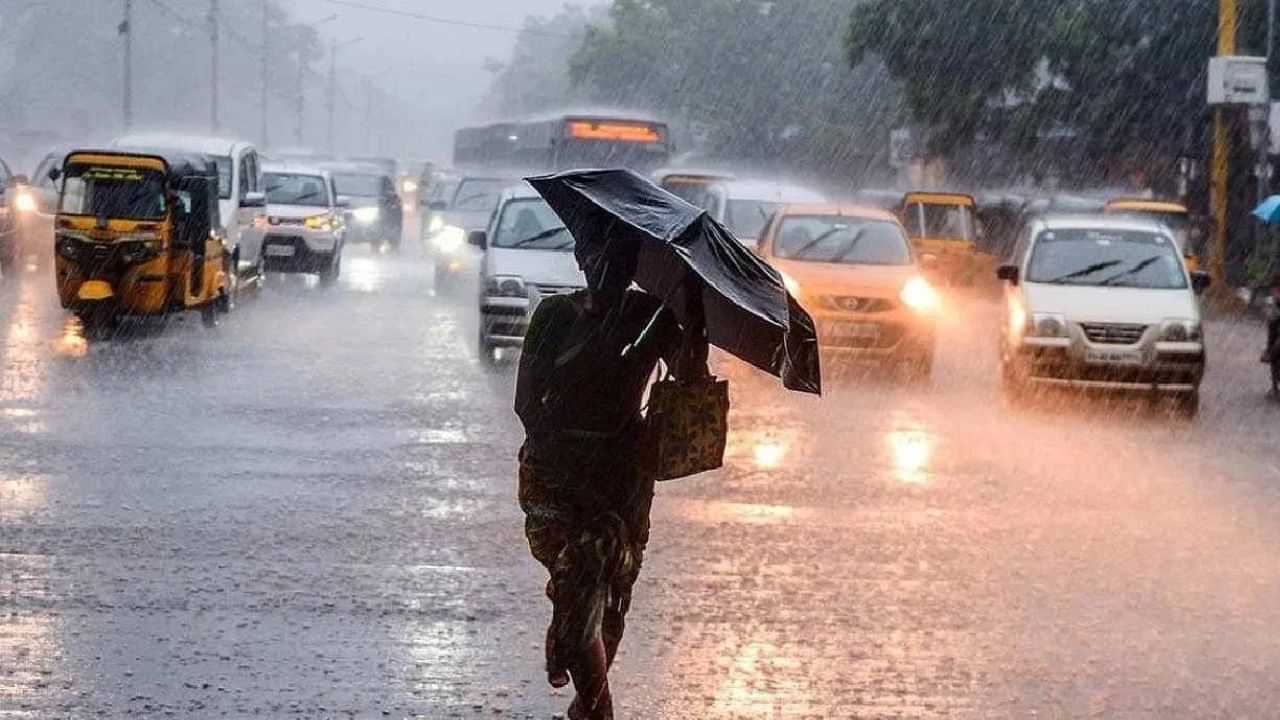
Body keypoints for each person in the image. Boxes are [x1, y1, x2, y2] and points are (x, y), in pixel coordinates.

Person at [514, 239, 708, 720]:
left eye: (617, 259)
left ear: (633, 266)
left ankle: (587, 703)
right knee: (578, 576)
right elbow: (525, 401)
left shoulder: (651, 317)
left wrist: (695, 320)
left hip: (622, 479)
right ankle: (600, 708)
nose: (606, 268)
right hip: (555, 475)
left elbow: (690, 380)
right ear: (582, 260)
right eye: (597, 258)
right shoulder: (555, 315)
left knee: (610, 596)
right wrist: (563, 455)